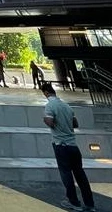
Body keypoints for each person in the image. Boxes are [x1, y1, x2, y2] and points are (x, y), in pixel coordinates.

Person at [41, 83, 95, 211]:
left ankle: (74, 202)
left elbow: (49, 122)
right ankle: (89, 204)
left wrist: (50, 122)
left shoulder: (50, 106)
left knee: (66, 174)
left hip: (61, 145)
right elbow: (75, 124)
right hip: (73, 145)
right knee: (80, 174)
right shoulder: (67, 106)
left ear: (46, 93)